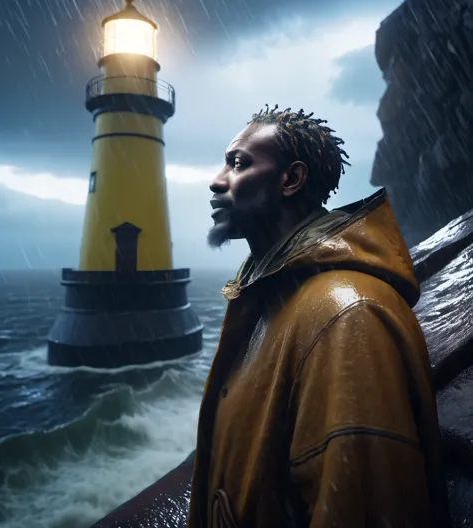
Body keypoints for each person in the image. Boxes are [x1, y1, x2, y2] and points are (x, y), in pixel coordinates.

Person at [187, 105, 450, 528]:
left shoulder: (347, 315)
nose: (217, 181)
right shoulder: (273, 296)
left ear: (291, 179)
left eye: (239, 163)